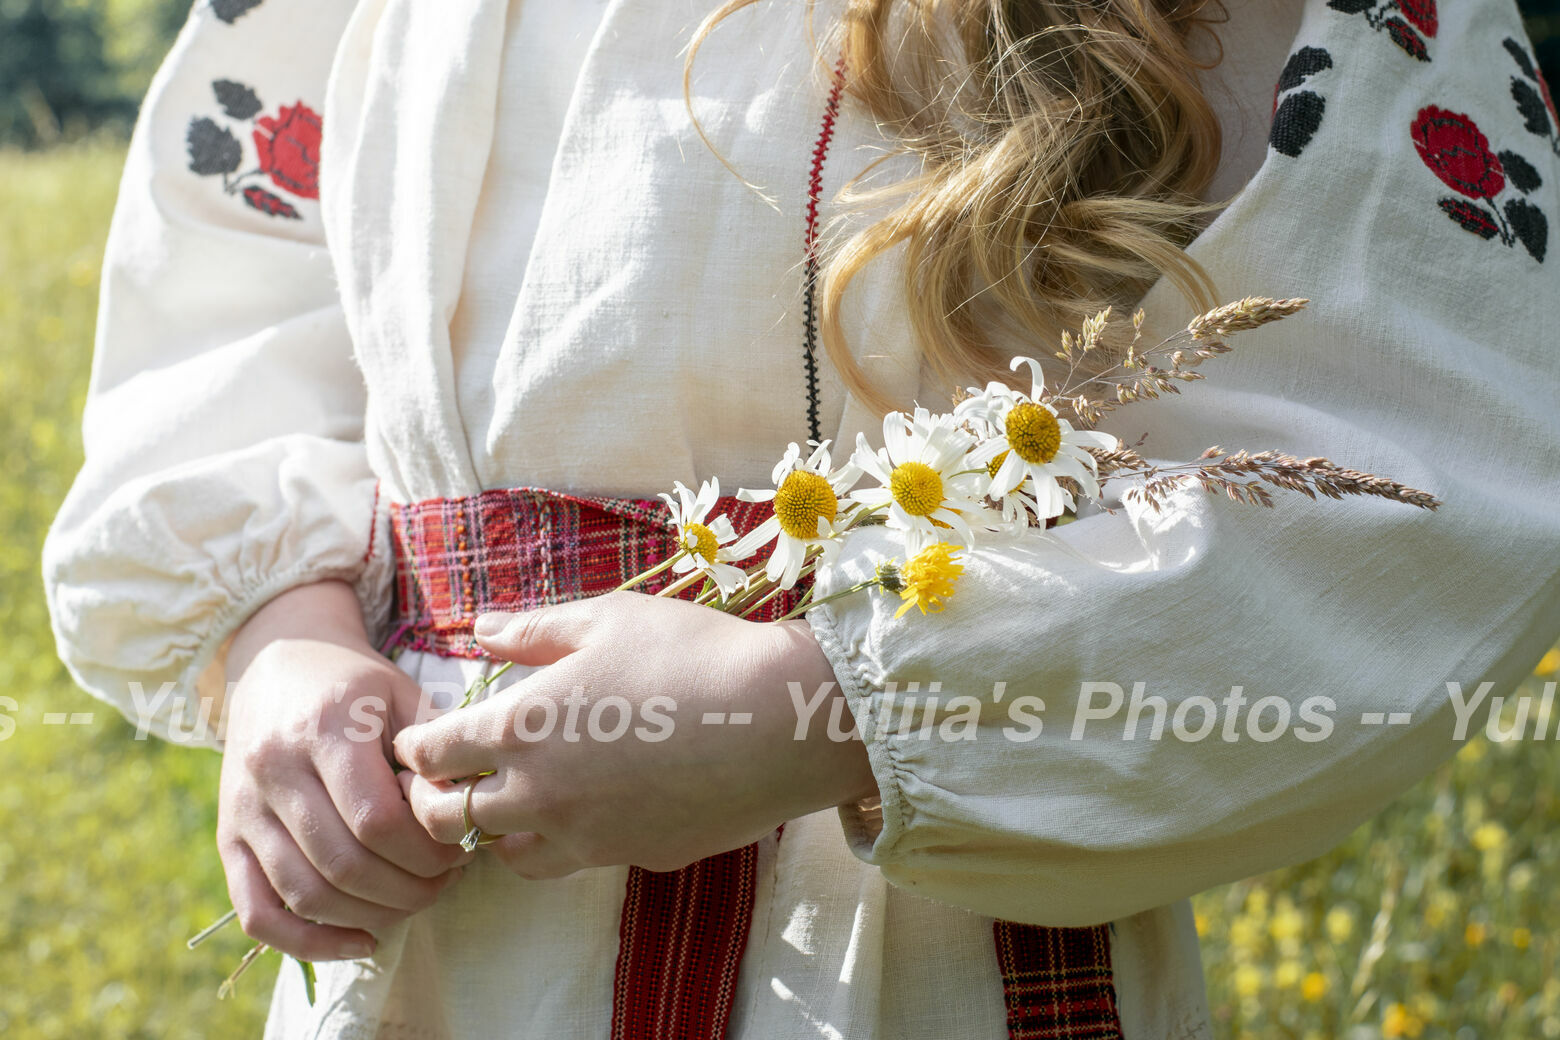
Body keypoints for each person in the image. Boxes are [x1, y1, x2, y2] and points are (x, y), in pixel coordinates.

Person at [42, 0, 1560, 1036]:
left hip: (917, 952)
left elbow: (1437, 455)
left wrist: (828, 701)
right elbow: (253, 279)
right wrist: (282, 640)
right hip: (448, 930)